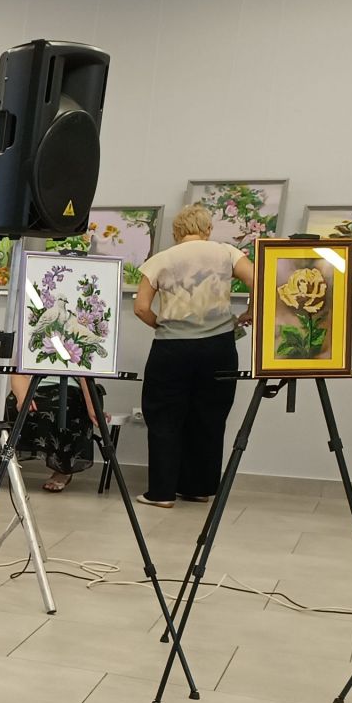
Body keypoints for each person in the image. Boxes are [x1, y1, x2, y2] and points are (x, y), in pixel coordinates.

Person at [132, 202, 256, 506]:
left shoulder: (160, 259)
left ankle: (161, 493)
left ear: (177, 231)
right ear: (208, 228)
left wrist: (161, 325)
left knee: (164, 418)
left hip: (172, 348)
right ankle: (198, 488)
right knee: (210, 417)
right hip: (219, 347)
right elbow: (260, 281)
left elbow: (141, 307)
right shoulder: (227, 253)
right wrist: (251, 311)